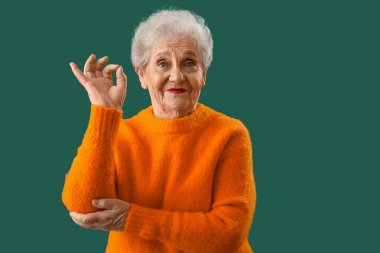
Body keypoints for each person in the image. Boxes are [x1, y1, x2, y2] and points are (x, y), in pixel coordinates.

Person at [62, 8, 256, 253]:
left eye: (189, 63)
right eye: (162, 63)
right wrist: (103, 111)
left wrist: (132, 218)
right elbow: (84, 208)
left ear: (203, 74)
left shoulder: (230, 134)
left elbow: (228, 232)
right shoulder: (119, 133)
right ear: (142, 75)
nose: (176, 76)